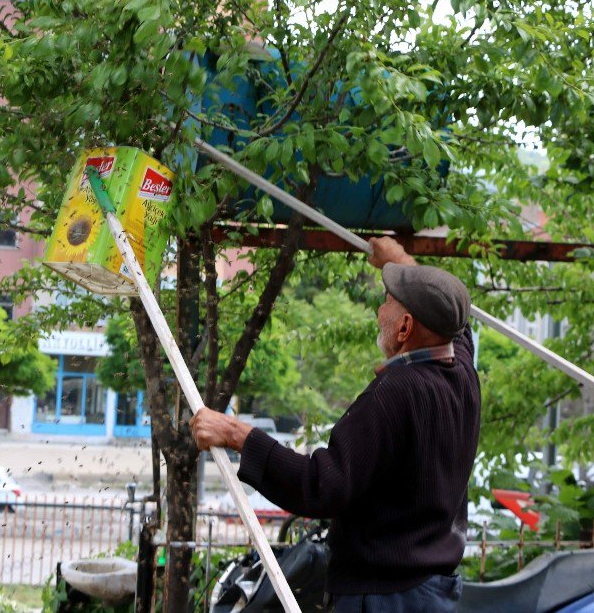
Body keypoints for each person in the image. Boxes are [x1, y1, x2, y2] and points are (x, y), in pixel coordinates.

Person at [190, 236, 481, 612]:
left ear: (405, 327)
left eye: (387, 304)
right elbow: (458, 325)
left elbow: (323, 485)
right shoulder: (462, 372)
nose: (379, 311)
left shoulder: (395, 393)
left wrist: (237, 435)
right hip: (433, 593)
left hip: (383, 599)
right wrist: (402, 261)